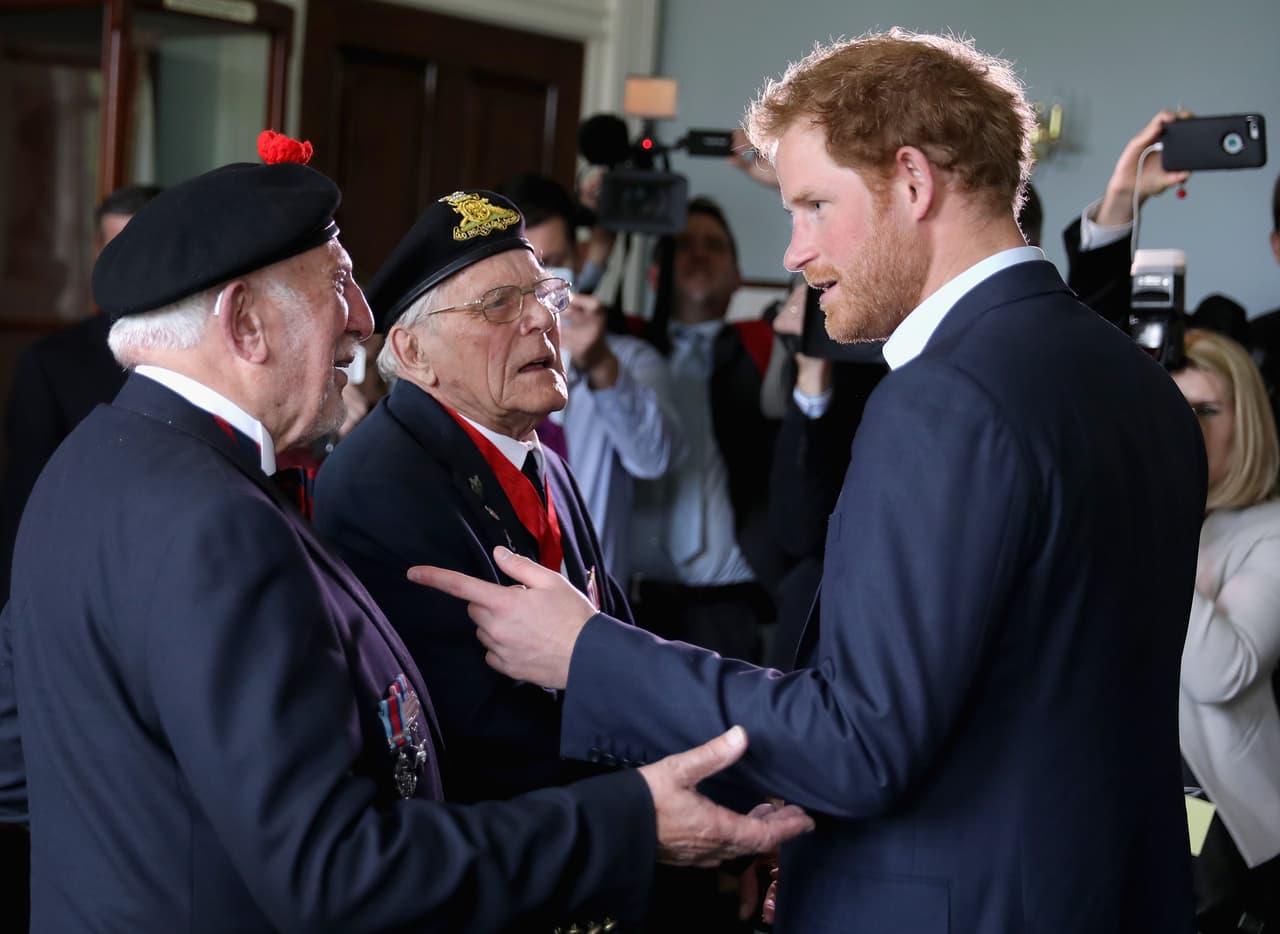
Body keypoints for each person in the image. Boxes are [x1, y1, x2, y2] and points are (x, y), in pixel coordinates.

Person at [412, 29, 1209, 933]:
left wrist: (588, 651)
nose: (792, 251)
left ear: (914, 183)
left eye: (813, 205)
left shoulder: (945, 396)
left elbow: (862, 738)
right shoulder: (1137, 378)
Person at [0, 136, 812, 932]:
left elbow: (31, 770)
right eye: (339, 285)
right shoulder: (218, 522)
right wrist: (632, 822)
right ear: (245, 324)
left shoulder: (88, 469)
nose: (362, 322)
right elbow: (334, 866)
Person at [495, 173, 685, 583]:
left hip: (594, 604)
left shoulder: (631, 361)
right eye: (525, 269)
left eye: (554, 264)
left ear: (579, 262)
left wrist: (601, 364)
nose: (540, 287)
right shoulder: (477, 365)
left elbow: (653, 461)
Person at [629, 198, 781, 663]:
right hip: (629, 597)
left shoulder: (768, 345)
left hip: (732, 598)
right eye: (682, 245)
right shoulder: (620, 347)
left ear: (738, 275)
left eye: (714, 246)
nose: (698, 254)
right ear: (654, 274)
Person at [0, 183, 163, 601]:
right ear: (97, 253)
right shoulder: (50, 361)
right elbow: (25, 499)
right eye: (113, 249)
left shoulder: (207, 352)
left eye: (141, 248)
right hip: (77, 582)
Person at [1170, 328, 1280, 933]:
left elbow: (1219, 672)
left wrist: (1158, 520)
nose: (1186, 428)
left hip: (1222, 825)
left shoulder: (1270, 529)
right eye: (1173, 409)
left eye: (1206, 411)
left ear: (1249, 422)